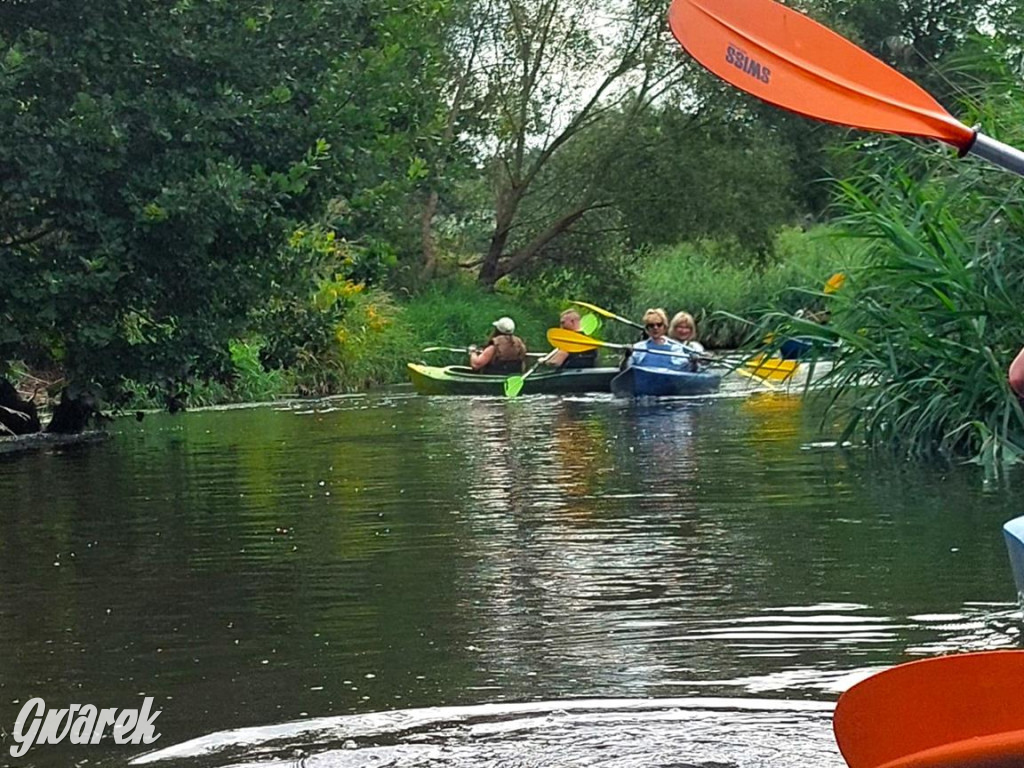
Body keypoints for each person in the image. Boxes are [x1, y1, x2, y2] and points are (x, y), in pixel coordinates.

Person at [626, 308, 691, 371]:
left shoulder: (675, 348)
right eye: (651, 325)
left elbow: (685, 371)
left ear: (664, 327)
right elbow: (625, 370)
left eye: (659, 325)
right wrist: (627, 357)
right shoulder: (638, 347)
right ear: (647, 328)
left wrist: (693, 363)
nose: (655, 328)